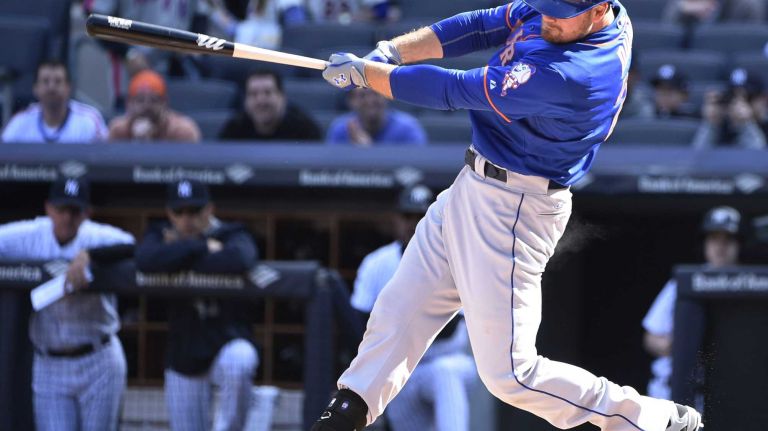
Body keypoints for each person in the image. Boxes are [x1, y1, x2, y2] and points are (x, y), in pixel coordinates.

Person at [315, 0, 703, 430]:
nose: (546, 17)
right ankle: (350, 409)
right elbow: (482, 25)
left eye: (559, 13)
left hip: (515, 207)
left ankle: (653, 420)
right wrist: (392, 51)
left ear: (597, 13)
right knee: (402, 304)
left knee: (511, 374)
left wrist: (369, 76)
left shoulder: (577, 71)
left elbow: (456, 90)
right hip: (476, 183)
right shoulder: (598, 15)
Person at [0, 177, 135, 431]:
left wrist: (91, 256)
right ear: (48, 208)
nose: (67, 217)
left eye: (74, 211)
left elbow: (132, 244)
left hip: (99, 358)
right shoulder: (33, 233)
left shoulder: (95, 236)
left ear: (86, 213)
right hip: (50, 362)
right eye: (61, 209)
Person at [135, 179, 259, 431]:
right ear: (170, 213)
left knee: (240, 359)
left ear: (209, 209)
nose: (186, 219)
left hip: (226, 343)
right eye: (179, 212)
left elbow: (240, 259)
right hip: (183, 354)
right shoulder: (160, 233)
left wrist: (176, 255)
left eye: (194, 211)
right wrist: (200, 246)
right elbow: (145, 260)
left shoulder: (231, 233)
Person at [351, 184, 476, 431]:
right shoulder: (377, 263)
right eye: (407, 216)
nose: (413, 223)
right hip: (396, 369)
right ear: (396, 219)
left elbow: (448, 330)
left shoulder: (457, 260)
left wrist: (393, 321)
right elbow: (358, 323)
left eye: (421, 216)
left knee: (444, 373)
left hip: (446, 359)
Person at [643, 206, 741, 402]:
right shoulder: (683, 282)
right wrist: (686, 344)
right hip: (674, 390)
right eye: (714, 239)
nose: (720, 247)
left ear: (740, 244)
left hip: (728, 392)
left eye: (727, 239)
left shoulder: (753, 284)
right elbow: (651, 338)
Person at [1, 61, 108, 144]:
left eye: (58, 81)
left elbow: (105, 158)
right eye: (45, 81)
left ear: (68, 87)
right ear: (35, 88)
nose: (51, 87)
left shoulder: (89, 120)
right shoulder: (20, 121)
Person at [219, 70, 322, 142]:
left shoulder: (304, 128)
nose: (261, 100)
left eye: (267, 93)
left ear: (282, 96)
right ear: (245, 100)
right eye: (253, 94)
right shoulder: (233, 129)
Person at [108, 70, 202, 142]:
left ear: (165, 103)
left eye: (154, 100)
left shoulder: (182, 130)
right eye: (140, 100)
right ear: (129, 103)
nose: (147, 106)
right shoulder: (118, 130)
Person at [692, 68, 767, 149]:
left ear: (763, 99)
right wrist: (711, 124)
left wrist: (746, 124)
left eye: (748, 97)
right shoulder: (721, 126)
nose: (740, 104)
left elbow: (759, 158)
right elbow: (697, 158)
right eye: (734, 97)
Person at [326, 88, 427, 146]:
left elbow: (418, 169)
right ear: (351, 102)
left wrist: (369, 152)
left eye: (376, 94)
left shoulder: (408, 128)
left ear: (387, 96)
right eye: (362, 95)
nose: (370, 101)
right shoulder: (340, 129)